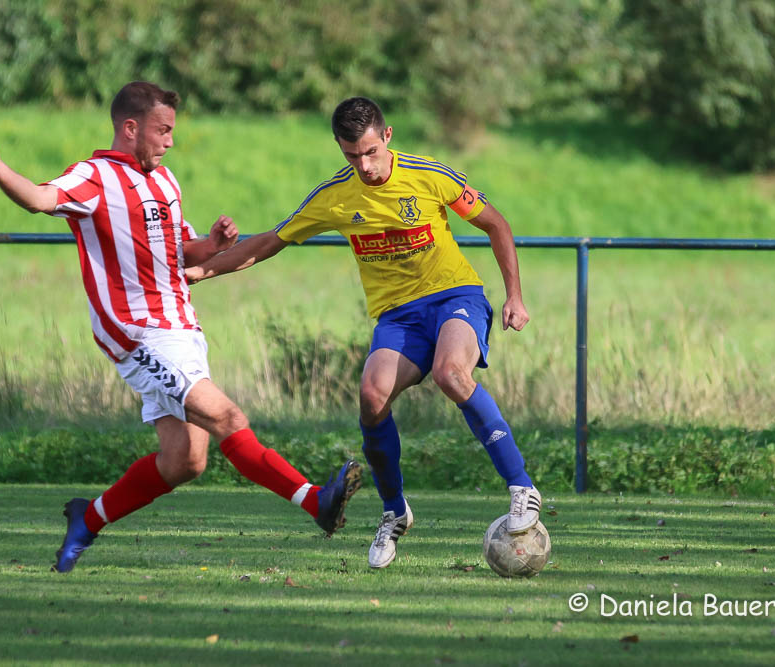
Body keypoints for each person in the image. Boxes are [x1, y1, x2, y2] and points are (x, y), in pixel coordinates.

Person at [0, 81, 361, 573]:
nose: (169, 140)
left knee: (185, 460)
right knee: (228, 417)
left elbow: (181, 250)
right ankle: (315, 500)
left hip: (183, 330)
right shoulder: (95, 177)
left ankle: (88, 518)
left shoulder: (165, 182)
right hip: (138, 334)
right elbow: (41, 200)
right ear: (131, 128)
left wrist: (211, 242)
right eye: (162, 130)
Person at [186, 97, 540, 569]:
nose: (364, 165)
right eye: (352, 155)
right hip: (397, 316)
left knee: (451, 373)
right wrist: (203, 272)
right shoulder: (335, 195)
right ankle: (395, 512)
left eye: (371, 151)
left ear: (387, 136)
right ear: (339, 147)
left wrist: (514, 295)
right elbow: (270, 241)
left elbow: (496, 224)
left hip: (455, 295)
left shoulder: (430, 175)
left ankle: (522, 489)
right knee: (372, 398)